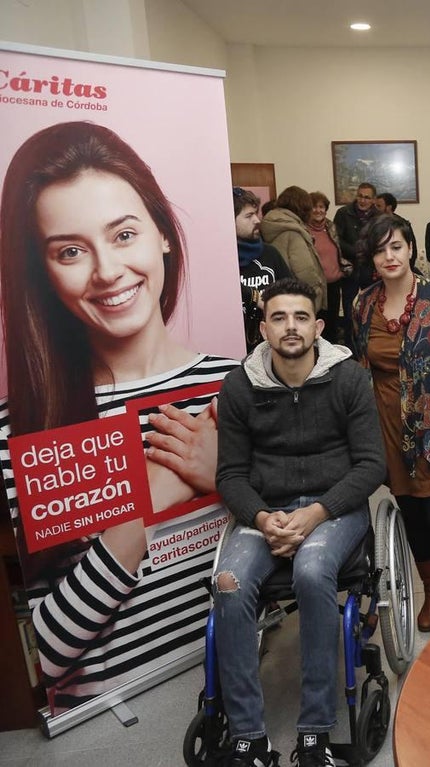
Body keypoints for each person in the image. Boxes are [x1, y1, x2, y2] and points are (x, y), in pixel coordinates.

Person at [0, 121, 239, 709]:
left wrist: (230, 480)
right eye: (72, 251)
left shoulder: (237, 385)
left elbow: (310, 555)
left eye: (124, 234)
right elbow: (36, 660)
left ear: (161, 233)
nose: (107, 271)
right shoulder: (24, 431)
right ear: (43, 272)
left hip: (249, 683)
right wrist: (148, 502)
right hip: (112, 730)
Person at [214, 278, 386, 767]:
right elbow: (229, 474)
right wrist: (264, 518)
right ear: (263, 328)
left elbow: (371, 465)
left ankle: (315, 735)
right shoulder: (240, 386)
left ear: (318, 327)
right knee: (228, 583)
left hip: (334, 506)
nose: (291, 327)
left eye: (301, 317)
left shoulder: (349, 378)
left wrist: (315, 514)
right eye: (280, 317)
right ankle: (249, 741)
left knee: (313, 571)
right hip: (266, 509)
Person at [351, 214, 430, 632]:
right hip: (388, 424)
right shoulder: (363, 303)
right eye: (381, 249)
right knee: (415, 517)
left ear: (410, 250)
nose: (389, 256)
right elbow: (362, 365)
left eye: (397, 246)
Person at [235, 187, 291, 352]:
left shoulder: (270, 253)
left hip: (272, 347)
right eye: (249, 216)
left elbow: (290, 292)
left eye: (256, 213)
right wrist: (255, 297)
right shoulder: (221, 261)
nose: (257, 220)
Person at [261, 186, 328, 314]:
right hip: (298, 297)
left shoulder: (272, 223)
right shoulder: (293, 233)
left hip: (279, 292)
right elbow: (305, 270)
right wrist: (318, 291)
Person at [307, 191, 355, 344]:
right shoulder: (303, 230)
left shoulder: (331, 227)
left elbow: (338, 250)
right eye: (314, 207)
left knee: (332, 324)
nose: (318, 210)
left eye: (321, 207)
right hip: (316, 287)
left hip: (334, 284)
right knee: (318, 326)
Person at [333, 182, 377, 274]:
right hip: (349, 266)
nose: (362, 200)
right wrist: (355, 252)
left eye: (367, 198)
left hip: (371, 267)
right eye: (360, 196)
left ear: (373, 200)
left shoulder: (379, 217)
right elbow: (336, 238)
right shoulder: (343, 213)